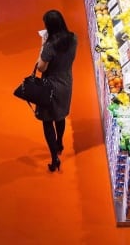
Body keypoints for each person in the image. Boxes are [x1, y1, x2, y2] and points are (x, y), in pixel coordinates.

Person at [35, 10, 77, 173]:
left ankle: (54, 158)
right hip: (66, 82)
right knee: (60, 115)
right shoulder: (73, 38)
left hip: (50, 85)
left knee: (47, 120)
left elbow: (41, 67)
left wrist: (42, 47)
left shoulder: (50, 45)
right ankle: (60, 142)